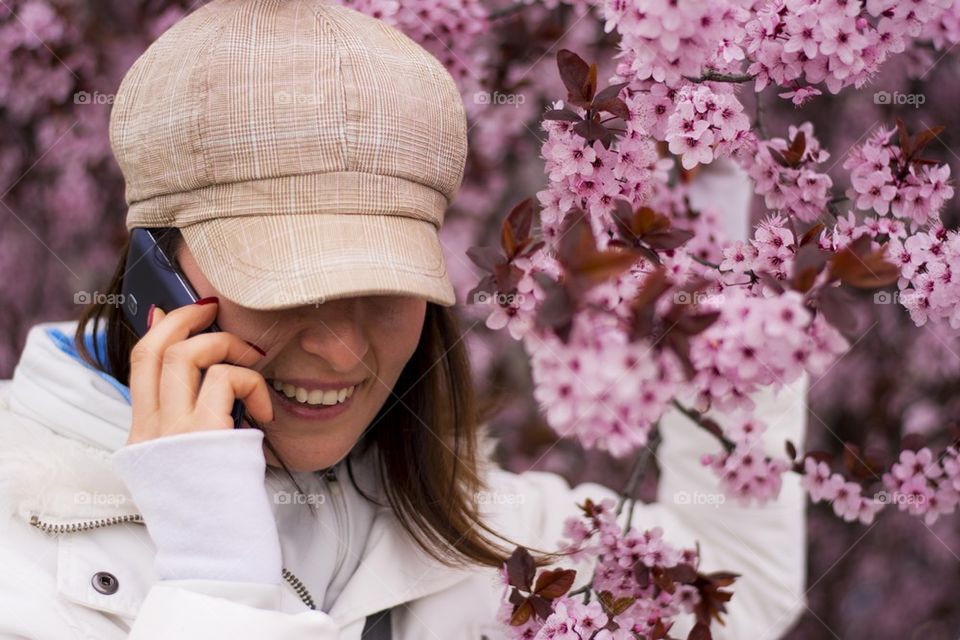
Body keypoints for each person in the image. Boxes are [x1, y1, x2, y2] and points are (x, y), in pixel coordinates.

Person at [0, 1, 809, 638]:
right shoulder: (19, 539)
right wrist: (215, 579)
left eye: (383, 290)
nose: (342, 347)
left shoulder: (452, 518)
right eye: (285, 288)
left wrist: (717, 284)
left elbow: (732, 585)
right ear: (156, 274)